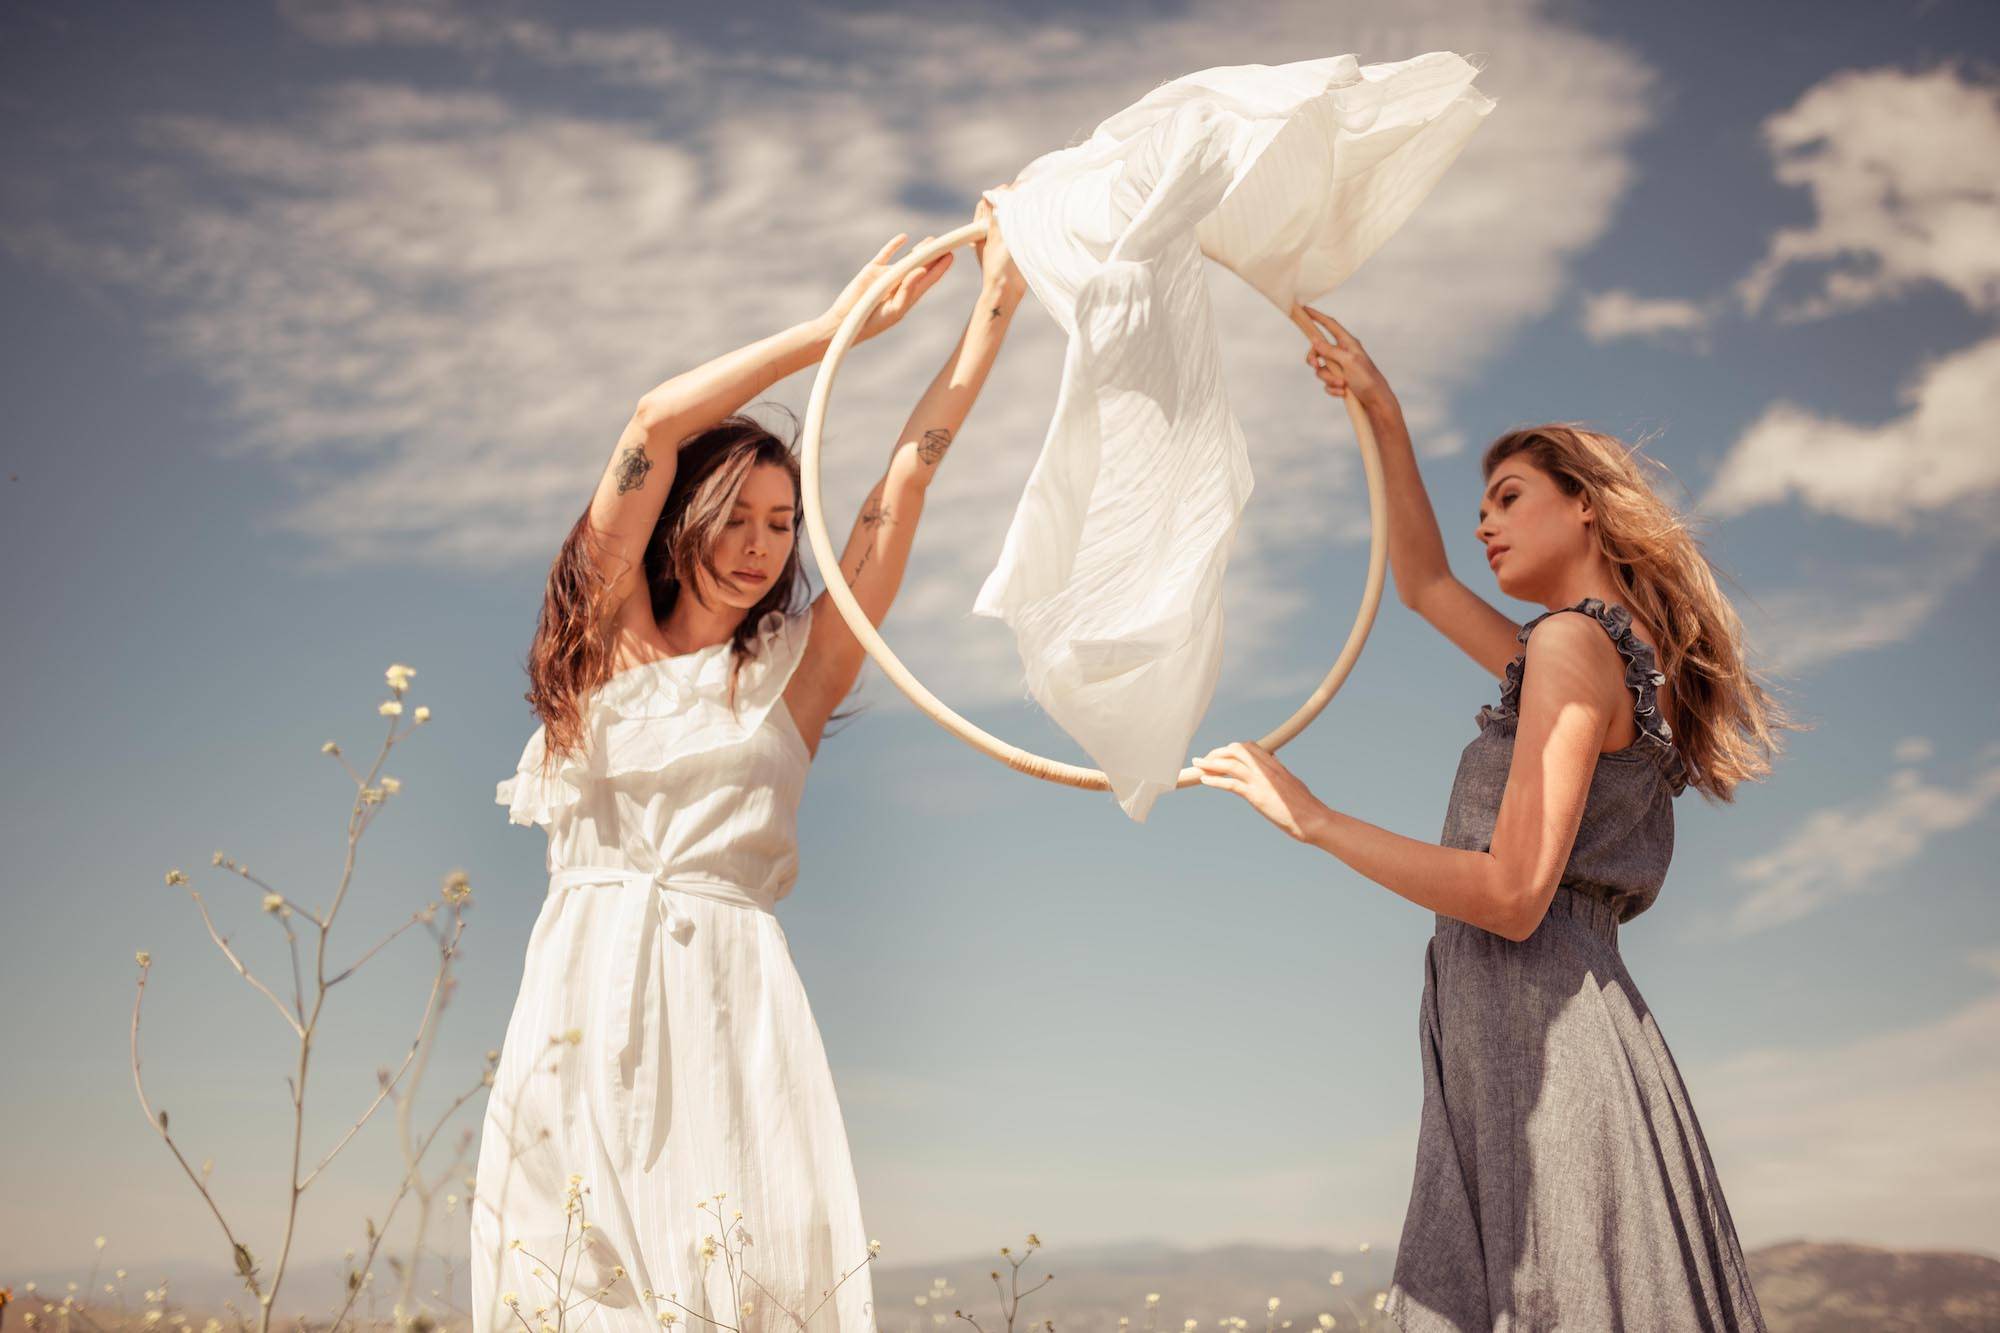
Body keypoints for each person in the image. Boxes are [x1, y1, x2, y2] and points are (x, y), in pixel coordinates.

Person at [471, 196, 1025, 1333]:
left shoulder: (797, 672)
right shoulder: (601, 636)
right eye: (737, 514)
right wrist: (834, 335)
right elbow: (652, 422)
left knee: (740, 1281)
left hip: (730, 997)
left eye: (782, 524)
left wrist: (992, 314)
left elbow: (900, 486)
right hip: (579, 988)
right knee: (565, 1283)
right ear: (685, 519)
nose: (760, 546)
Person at [1193, 307, 1797, 1331]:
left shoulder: (1570, 646)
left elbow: (1513, 896)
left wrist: (1313, 819)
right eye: (1481, 504)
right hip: (1536, 1036)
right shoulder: (1591, 652)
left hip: (1547, 1049)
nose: (1484, 523)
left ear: (1587, 510)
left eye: (1508, 497)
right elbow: (1423, 583)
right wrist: (1377, 410)